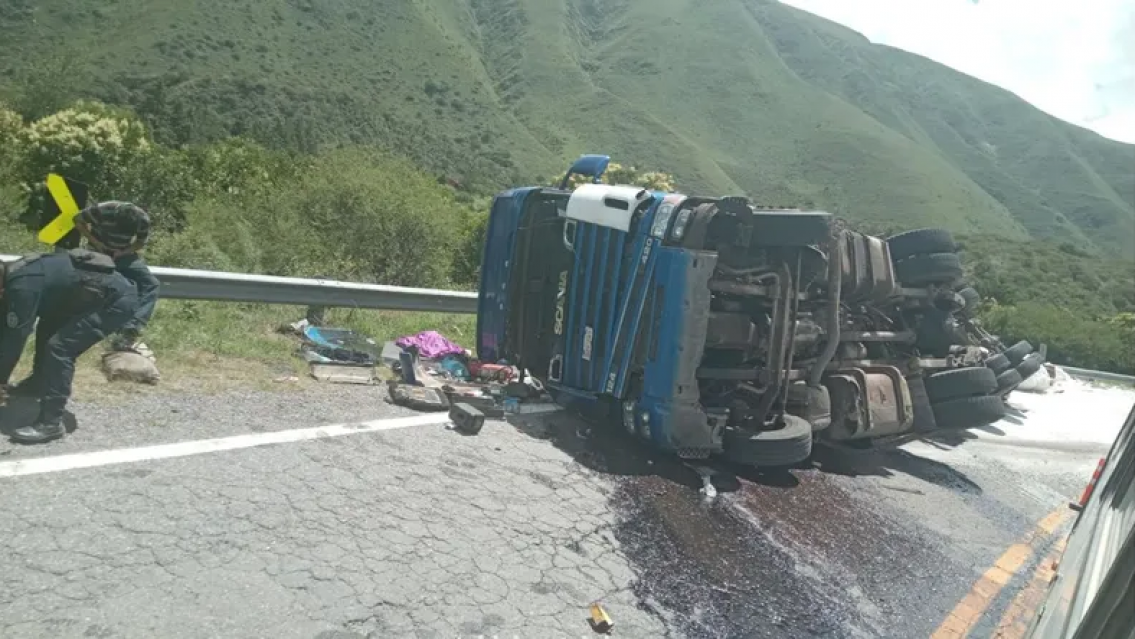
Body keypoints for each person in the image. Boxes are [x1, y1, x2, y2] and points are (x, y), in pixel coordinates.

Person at [9, 201, 158, 397]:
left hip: (123, 255)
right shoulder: (104, 209)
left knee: (151, 284)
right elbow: (78, 220)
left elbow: (139, 242)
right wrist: (97, 244)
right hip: (96, 251)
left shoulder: (141, 219)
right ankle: (37, 381)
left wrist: (124, 252)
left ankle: (131, 328)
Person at [0, 249, 138, 443]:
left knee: (59, 348)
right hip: (81, 299)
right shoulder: (16, 272)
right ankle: (37, 385)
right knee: (48, 327)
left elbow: (15, 338)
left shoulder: (22, 286)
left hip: (114, 303)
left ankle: (51, 423)